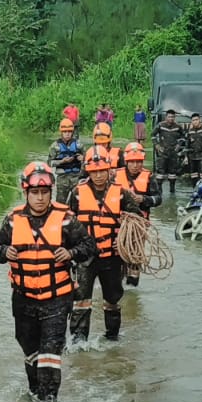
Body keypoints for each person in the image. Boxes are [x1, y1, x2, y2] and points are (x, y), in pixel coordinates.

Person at [0, 161, 95, 402]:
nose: (40, 198)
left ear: (51, 192)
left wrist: (70, 253)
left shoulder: (67, 220)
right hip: (23, 297)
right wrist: (5, 251)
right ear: (25, 192)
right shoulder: (13, 221)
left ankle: (49, 401)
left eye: (44, 192)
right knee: (29, 347)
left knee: (51, 350)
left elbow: (90, 247)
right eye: (35, 193)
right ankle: (35, 389)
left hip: (56, 298)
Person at [69, 144, 142, 343]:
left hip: (112, 257)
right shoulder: (76, 193)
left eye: (102, 170)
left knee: (112, 300)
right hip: (86, 258)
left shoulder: (122, 194)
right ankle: (78, 342)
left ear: (109, 169)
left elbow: (137, 223)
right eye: (94, 171)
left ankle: (112, 339)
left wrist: (124, 243)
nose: (99, 175)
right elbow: (66, 226)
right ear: (88, 171)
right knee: (81, 300)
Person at [112, 141, 161, 287]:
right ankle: (116, 284)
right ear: (126, 161)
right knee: (118, 253)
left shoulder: (149, 177)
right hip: (118, 222)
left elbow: (158, 199)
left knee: (135, 256)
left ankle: (132, 290)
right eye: (132, 162)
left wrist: (143, 199)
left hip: (139, 224)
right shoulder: (115, 175)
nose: (135, 165)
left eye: (138, 162)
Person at [48, 116, 84, 204]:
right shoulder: (55, 146)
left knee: (79, 203)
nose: (67, 134)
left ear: (72, 132)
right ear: (61, 132)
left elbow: (88, 162)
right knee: (60, 204)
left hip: (77, 178)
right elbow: (49, 163)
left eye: (69, 132)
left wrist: (83, 159)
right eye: (65, 132)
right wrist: (62, 161)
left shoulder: (79, 145)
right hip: (62, 179)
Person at [151, 108, 185, 196]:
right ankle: (159, 191)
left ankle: (172, 191)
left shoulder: (178, 126)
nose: (171, 119)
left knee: (172, 173)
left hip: (173, 153)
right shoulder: (160, 125)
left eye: (173, 117)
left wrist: (178, 146)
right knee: (160, 173)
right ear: (166, 117)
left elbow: (183, 137)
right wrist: (157, 145)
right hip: (163, 152)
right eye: (169, 117)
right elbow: (152, 135)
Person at [184, 112, 202, 187]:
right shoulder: (190, 131)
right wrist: (186, 157)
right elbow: (187, 145)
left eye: (196, 120)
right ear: (191, 122)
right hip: (192, 156)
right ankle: (195, 190)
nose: (195, 121)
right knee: (193, 175)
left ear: (200, 120)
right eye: (193, 120)